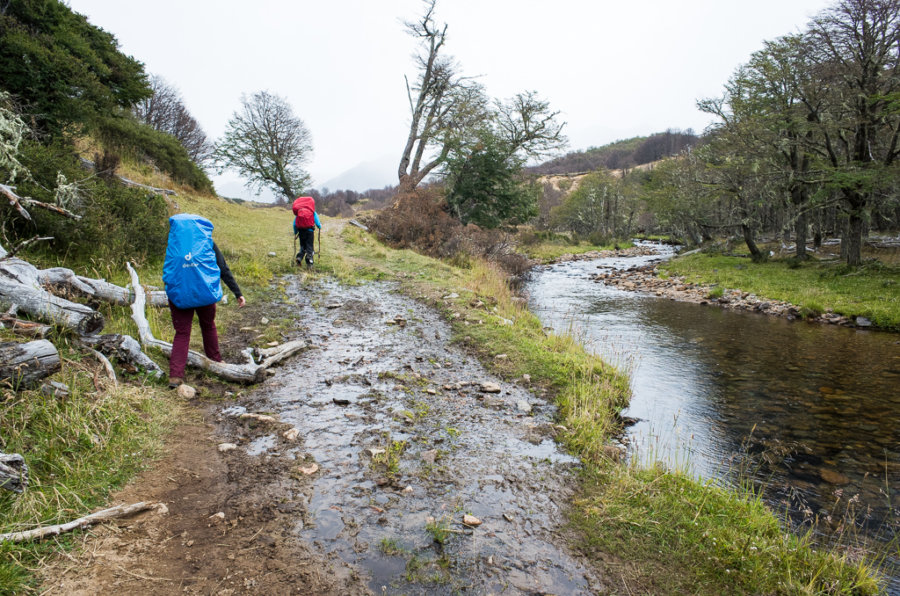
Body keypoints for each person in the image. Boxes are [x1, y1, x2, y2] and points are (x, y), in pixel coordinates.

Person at [162, 214, 246, 388]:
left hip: (180, 294)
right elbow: (223, 268)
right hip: (204, 293)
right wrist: (237, 292)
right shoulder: (207, 242)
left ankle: (175, 376)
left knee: (182, 333)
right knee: (208, 325)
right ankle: (215, 361)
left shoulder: (175, 243)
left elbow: (168, 270)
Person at [292, 195, 321, 268]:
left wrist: (295, 232)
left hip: (301, 231)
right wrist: (319, 226)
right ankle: (309, 263)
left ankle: (299, 258)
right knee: (309, 247)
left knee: (302, 246)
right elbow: (317, 222)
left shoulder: (299, 212)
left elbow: (294, 224)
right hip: (310, 231)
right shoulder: (312, 212)